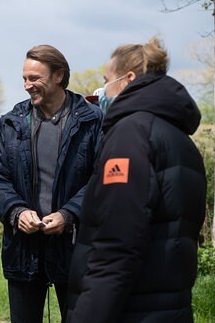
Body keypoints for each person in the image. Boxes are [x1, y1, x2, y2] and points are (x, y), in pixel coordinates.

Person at [66, 37, 206, 323]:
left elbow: (117, 243)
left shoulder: (131, 134)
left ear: (128, 78)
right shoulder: (179, 138)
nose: (102, 90)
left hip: (131, 310)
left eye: (106, 80)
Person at [0, 44, 103, 323]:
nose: (27, 85)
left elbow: (103, 179)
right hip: (24, 250)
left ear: (58, 76)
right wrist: (16, 212)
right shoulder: (9, 123)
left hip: (76, 249)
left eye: (34, 78)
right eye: (24, 78)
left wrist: (69, 214)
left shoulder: (93, 121)